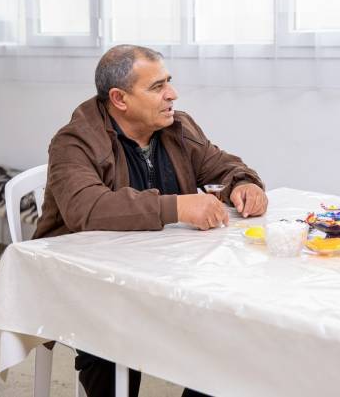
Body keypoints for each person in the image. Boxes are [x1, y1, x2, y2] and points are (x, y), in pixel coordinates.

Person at [34, 44, 268, 397]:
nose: (172, 94)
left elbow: (225, 166)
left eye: (168, 82)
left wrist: (245, 183)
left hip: (166, 275)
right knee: (109, 346)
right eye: (157, 87)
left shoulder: (177, 127)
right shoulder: (75, 141)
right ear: (119, 99)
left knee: (231, 328)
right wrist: (177, 207)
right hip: (92, 286)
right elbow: (86, 207)